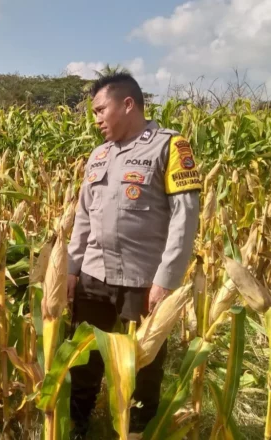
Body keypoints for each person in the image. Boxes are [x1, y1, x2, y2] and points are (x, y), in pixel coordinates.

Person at [66, 73, 201, 437]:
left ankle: (137, 428)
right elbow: (82, 217)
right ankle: (78, 422)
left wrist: (165, 279)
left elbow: (185, 219)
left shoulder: (170, 147)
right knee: (84, 356)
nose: (95, 119)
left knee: (145, 361)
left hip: (142, 281)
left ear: (128, 104)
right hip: (93, 275)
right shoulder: (98, 155)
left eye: (100, 110)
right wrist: (70, 269)